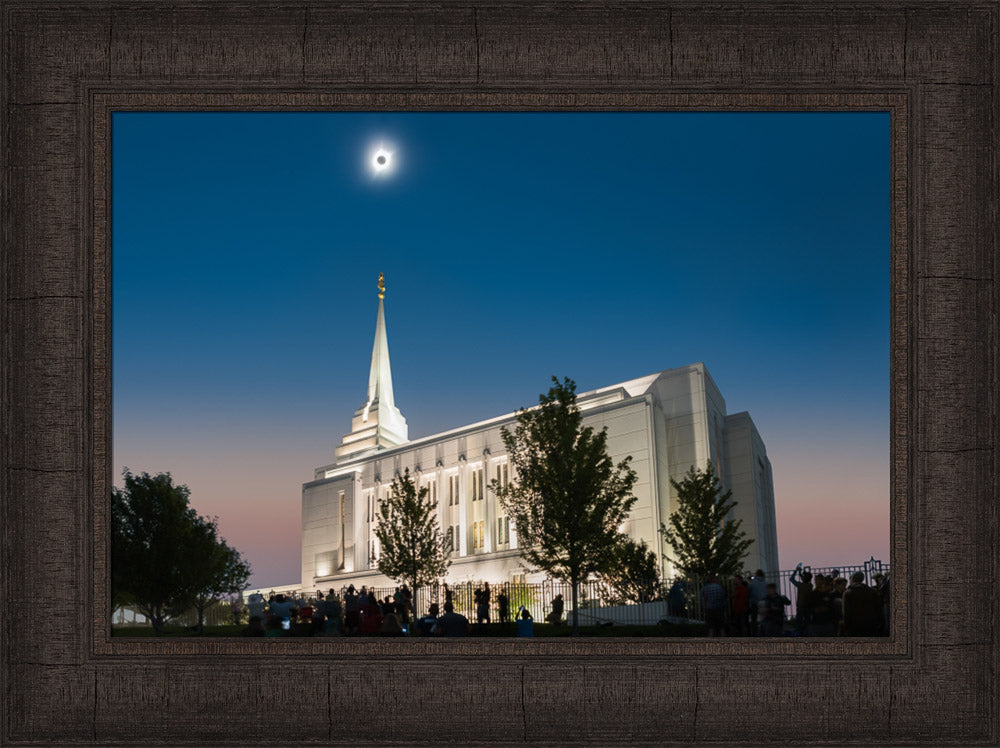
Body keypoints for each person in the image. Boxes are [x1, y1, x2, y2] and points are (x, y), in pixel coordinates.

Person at [842, 572, 883, 636]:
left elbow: (846, 612)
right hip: (871, 624)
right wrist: (880, 622)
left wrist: (846, 626)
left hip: (855, 625)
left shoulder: (848, 593)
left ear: (852, 579)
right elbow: (879, 608)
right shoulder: (872, 591)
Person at [789, 565, 813, 635]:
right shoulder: (810, 585)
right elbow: (804, 579)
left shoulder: (801, 585)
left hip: (801, 606)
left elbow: (791, 579)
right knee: (807, 622)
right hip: (808, 606)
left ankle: (800, 633)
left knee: (799, 622)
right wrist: (800, 573)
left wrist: (796, 571)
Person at [748, 570, 766, 636]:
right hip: (764, 602)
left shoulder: (753, 582)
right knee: (763, 618)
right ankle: (763, 631)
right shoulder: (765, 582)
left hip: (755, 602)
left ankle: (754, 632)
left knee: (754, 619)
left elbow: (749, 591)